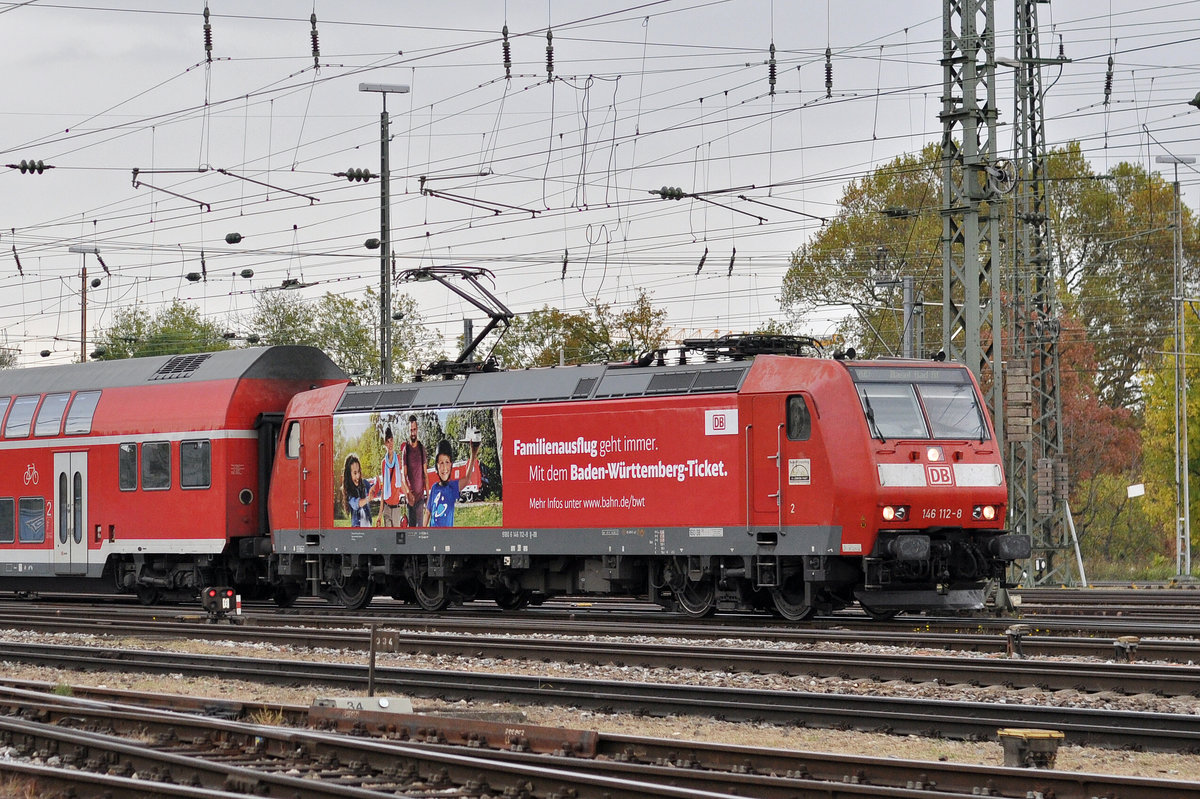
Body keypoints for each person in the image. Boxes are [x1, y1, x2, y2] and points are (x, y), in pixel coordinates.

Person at [425, 438, 480, 527]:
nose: (444, 467)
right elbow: (428, 512)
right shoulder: (434, 487)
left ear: (451, 464)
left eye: (447, 462)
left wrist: (473, 454)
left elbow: (466, 479)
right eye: (441, 463)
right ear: (436, 466)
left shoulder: (452, 487)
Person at [399, 415, 428, 527]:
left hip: (420, 498)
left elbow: (425, 474)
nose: (413, 433)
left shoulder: (422, 449)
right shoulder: (406, 450)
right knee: (411, 532)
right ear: (408, 431)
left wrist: (428, 496)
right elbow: (403, 475)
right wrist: (408, 493)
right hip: (410, 501)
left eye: (414, 429)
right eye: (411, 430)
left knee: (420, 531)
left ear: (417, 430)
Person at [378, 426, 405, 526]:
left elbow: (401, 481)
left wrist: (408, 495)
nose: (390, 444)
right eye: (388, 441)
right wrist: (380, 514)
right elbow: (383, 487)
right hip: (387, 507)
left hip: (396, 508)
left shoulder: (398, 459)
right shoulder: (383, 463)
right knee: (388, 539)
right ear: (385, 444)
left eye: (391, 440)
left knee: (396, 539)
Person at [342, 454, 378, 527]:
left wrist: (376, 487)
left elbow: (375, 490)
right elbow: (356, 504)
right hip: (357, 529)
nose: (358, 476)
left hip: (368, 526)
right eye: (355, 473)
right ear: (349, 474)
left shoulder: (364, 483)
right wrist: (368, 498)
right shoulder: (348, 491)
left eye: (359, 472)